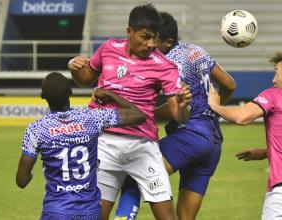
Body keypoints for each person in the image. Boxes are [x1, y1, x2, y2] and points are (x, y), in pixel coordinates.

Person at [68, 4, 191, 220]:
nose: (151, 44)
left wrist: (182, 107)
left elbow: (179, 116)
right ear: (129, 32)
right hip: (104, 144)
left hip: (143, 147)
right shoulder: (108, 48)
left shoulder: (165, 66)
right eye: (145, 37)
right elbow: (86, 79)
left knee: (167, 217)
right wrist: (75, 68)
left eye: (154, 38)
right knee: (95, 216)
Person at [115, 12, 236, 220]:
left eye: (155, 39)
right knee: (185, 217)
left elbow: (174, 107)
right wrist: (213, 109)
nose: (151, 44)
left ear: (169, 42)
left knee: (136, 176)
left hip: (189, 135)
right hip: (213, 142)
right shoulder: (196, 51)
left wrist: (145, 114)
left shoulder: (168, 61)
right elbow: (229, 84)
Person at [208, 50, 282, 220]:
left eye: (276, 73)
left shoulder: (275, 95)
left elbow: (242, 117)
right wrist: (266, 152)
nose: (273, 80)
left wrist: (215, 105)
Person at [15, 72, 146, 220]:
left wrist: (30, 175)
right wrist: (111, 95)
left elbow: (21, 181)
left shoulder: (36, 129)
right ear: (70, 92)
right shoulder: (91, 118)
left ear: (43, 96)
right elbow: (139, 115)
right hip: (90, 211)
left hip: (56, 210)